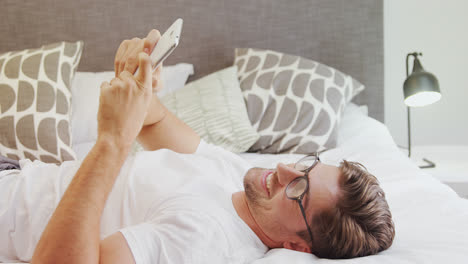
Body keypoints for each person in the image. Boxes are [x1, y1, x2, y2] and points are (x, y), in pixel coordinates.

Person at [0, 29, 395, 264]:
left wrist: (111, 141)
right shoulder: (238, 179)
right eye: (307, 167)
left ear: (297, 245)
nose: (287, 171)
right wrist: (136, 84)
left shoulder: (203, 239)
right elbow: (155, 121)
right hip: (16, 168)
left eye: (300, 190)